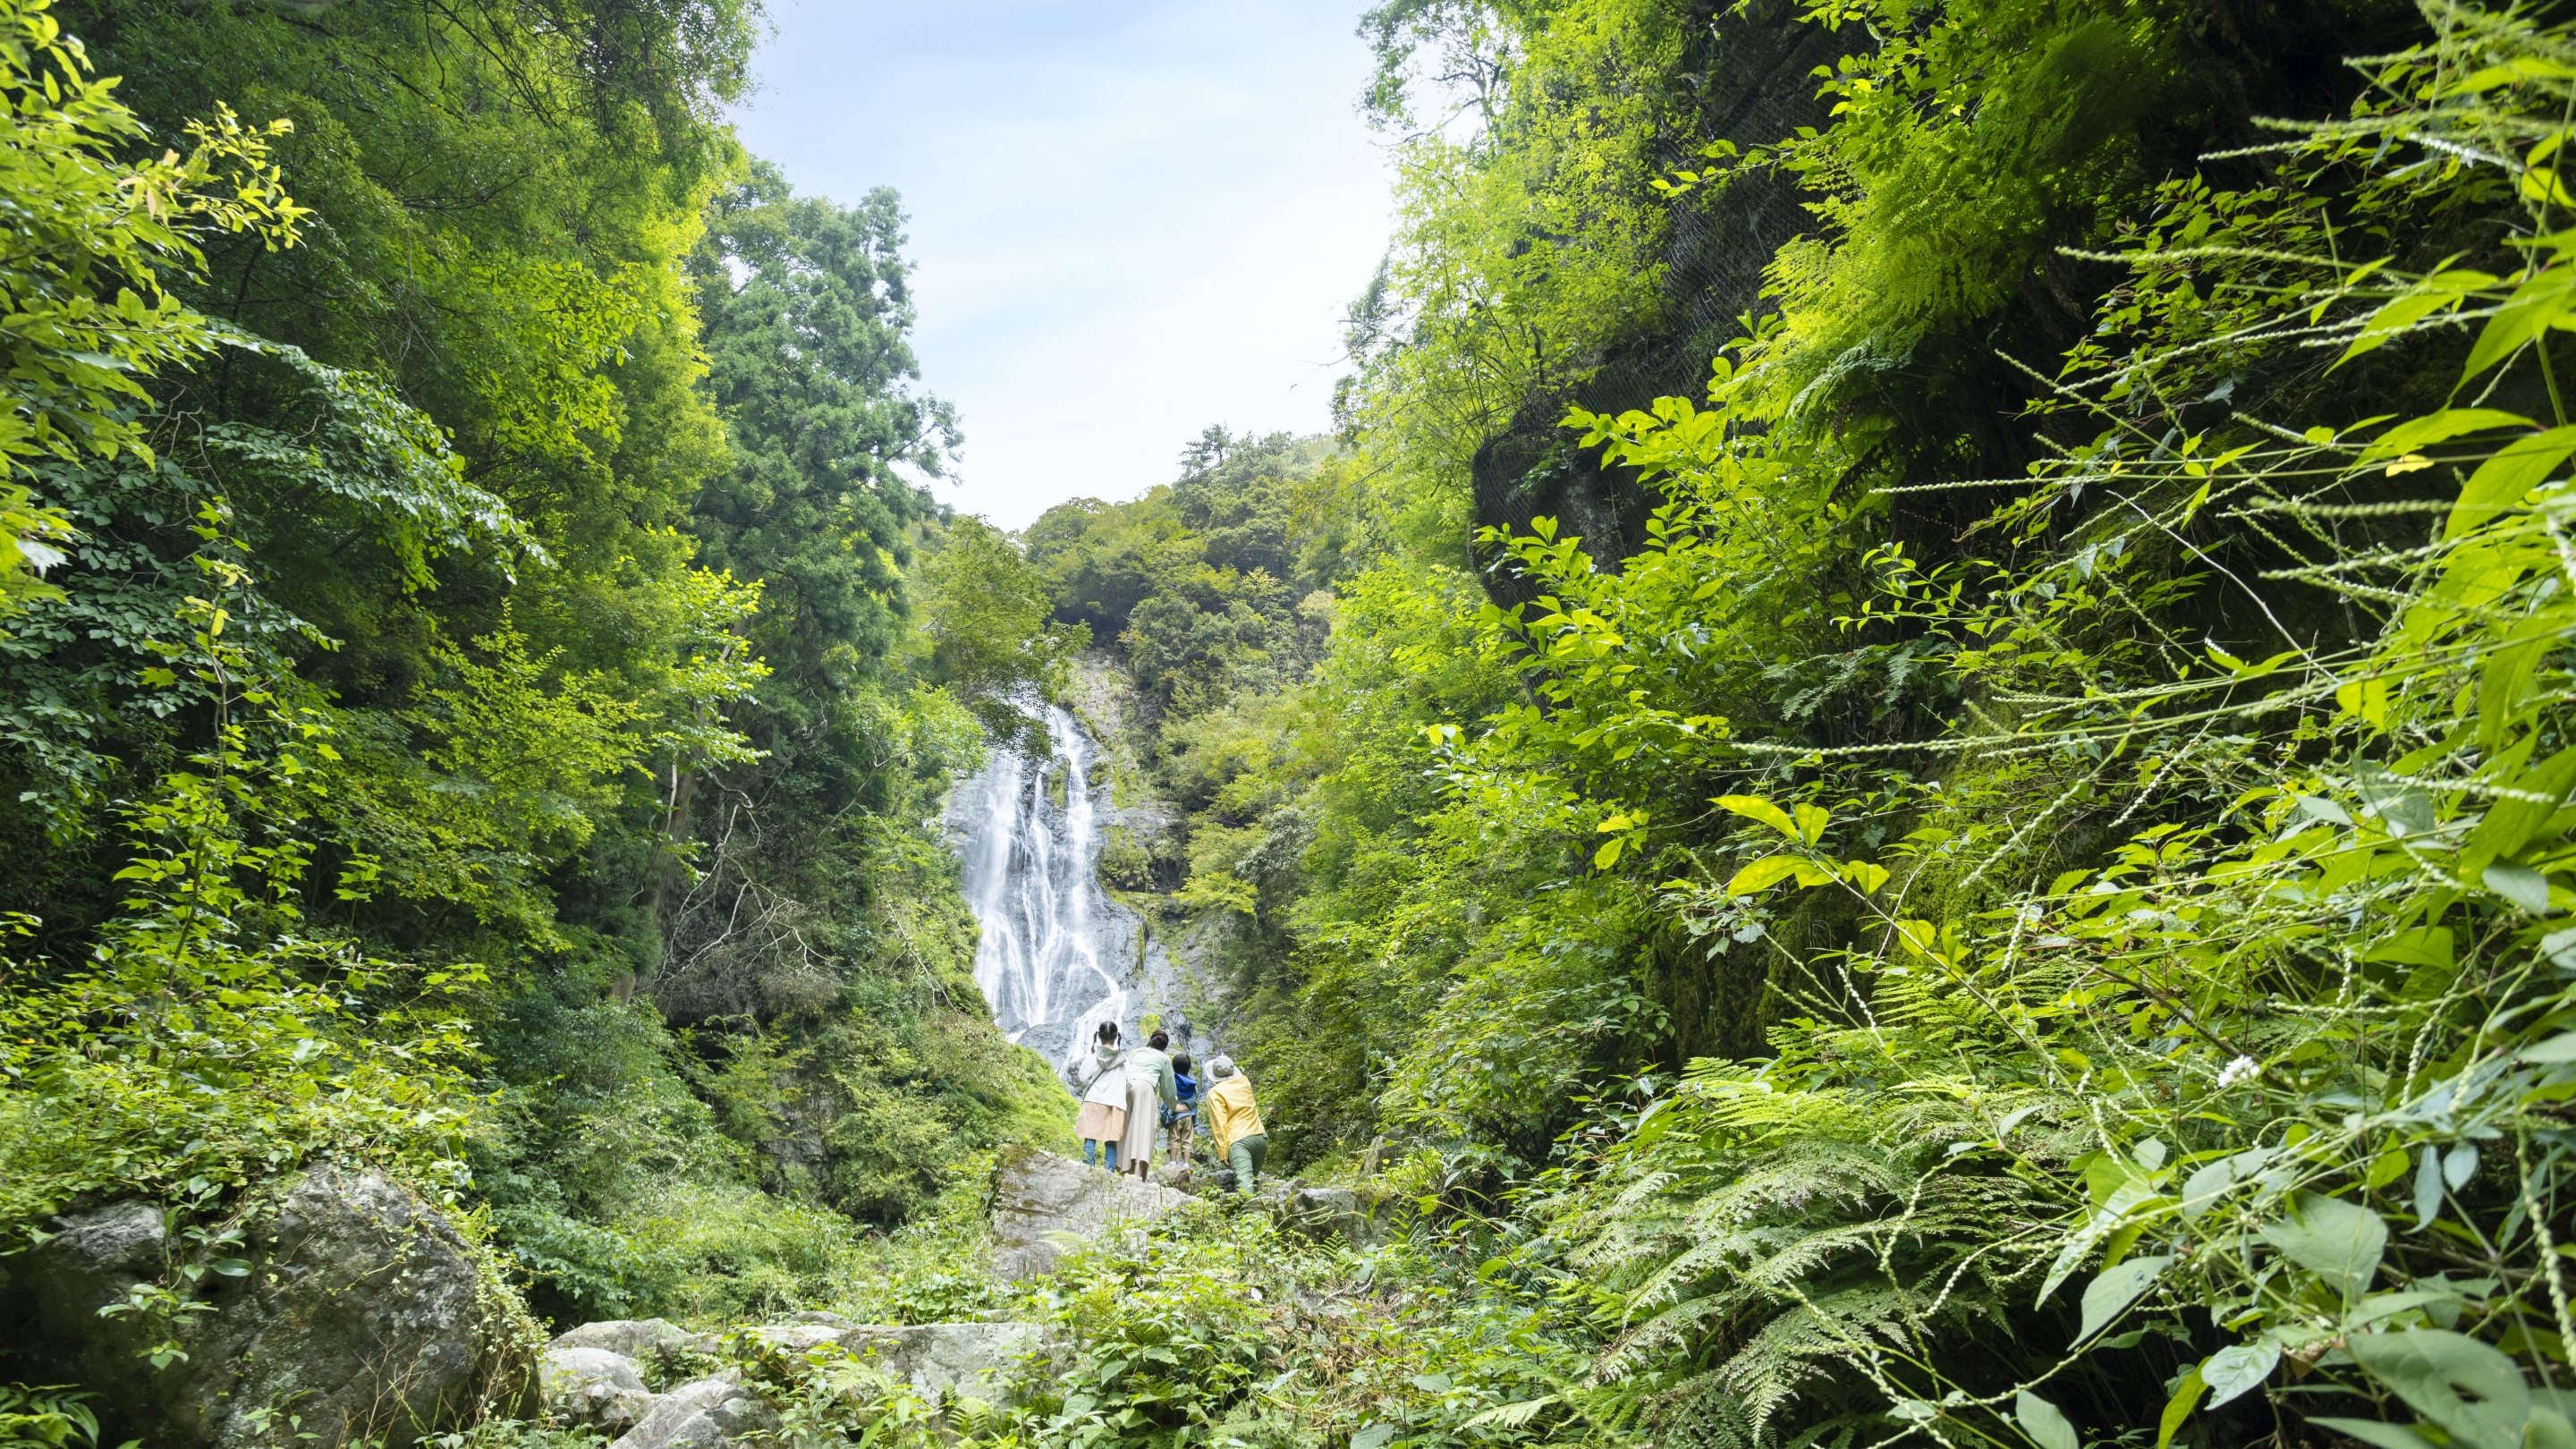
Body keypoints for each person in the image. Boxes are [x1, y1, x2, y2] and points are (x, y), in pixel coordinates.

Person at [1203, 1055, 1267, 1197]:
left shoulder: (1214, 1093)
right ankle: (1260, 1216)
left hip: (1239, 1141)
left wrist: (1222, 1153)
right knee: (1253, 1184)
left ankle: (1250, 1217)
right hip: (1260, 1137)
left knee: (1245, 1187)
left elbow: (1219, 1124)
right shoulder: (1244, 1081)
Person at [1119, 1029, 1179, 1180]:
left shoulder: (1135, 1052)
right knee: (1143, 1132)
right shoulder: (1164, 1059)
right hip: (1145, 1090)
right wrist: (1174, 1106)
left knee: (1127, 1130)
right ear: (1164, 1047)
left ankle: (1124, 1171)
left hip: (1127, 1088)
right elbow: (1168, 1090)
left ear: (1150, 1040)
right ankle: (1138, 1174)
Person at [1072, 1021, 1130, 1171]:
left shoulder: (1093, 1056)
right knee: (1110, 1143)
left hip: (1094, 1100)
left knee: (1090, 1138)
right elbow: (1129, 1083)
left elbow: (1082, 1078)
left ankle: (1087, 1172)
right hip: (1115, 1104)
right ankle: (1108, 1177)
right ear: (1117, 1037)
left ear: (1099, 1036)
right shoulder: (1124, 1060)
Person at [1166, 1052, 1199, 1168]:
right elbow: (1195, 1098)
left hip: (1175, 1116)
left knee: (1173, 1138)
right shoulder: (1192, 1084)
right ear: (1189, 1068)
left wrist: (1164, 1117)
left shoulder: (1172, 1082)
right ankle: (1186, 1164)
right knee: (1187, 1140)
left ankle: (1173, 1163)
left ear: (1173, 1067)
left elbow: (1168, 1099)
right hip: (1189, 1116)